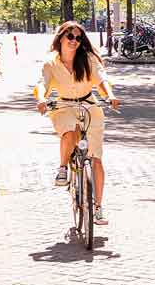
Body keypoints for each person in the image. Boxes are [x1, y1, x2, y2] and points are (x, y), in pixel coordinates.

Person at [34, 21, 121, 225]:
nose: (74, 41)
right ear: (61, 38)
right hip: (64, 105)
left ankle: (98, 207)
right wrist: (41, 99)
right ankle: (63, 168)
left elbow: (101, 79)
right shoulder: (50, 62)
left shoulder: (88, 59)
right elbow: (41, 84)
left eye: (78, 38)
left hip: (89, 105)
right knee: (70, 132)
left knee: (96, 158)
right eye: (70, 36)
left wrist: (110, 95)